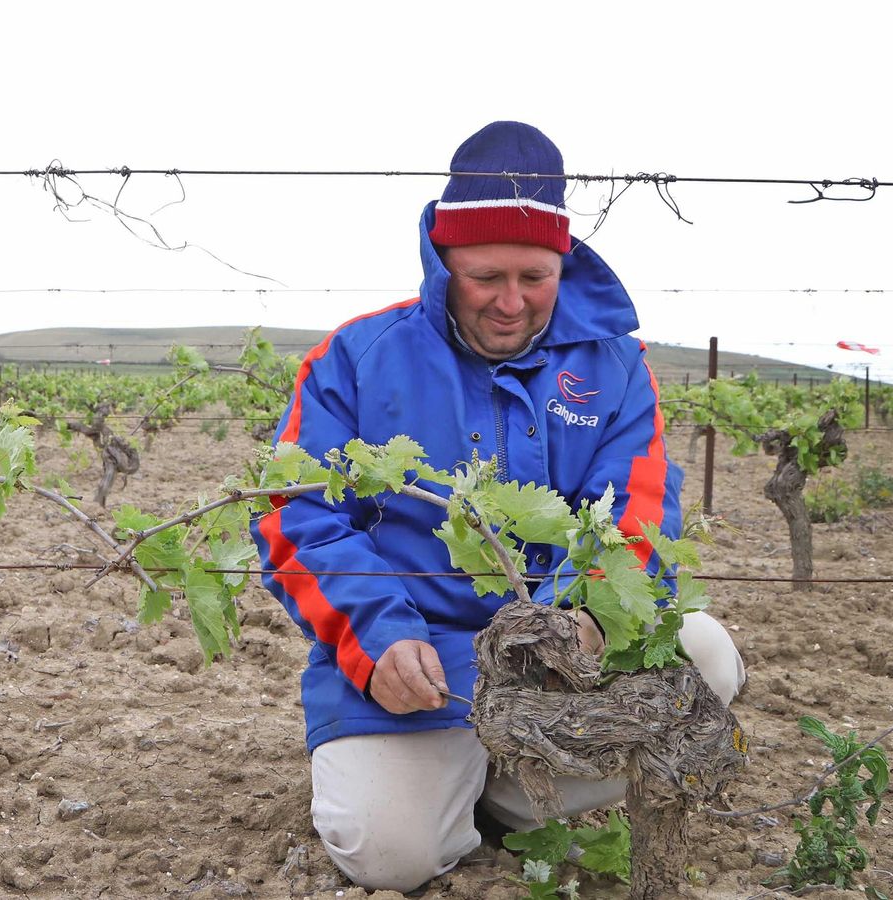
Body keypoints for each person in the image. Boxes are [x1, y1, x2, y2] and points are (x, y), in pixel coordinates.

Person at [250, 121, 746, 893]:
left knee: (705, 654)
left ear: (564, 264)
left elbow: (642, 514)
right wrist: (379, 639)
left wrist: (584, 618)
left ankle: (507, 796)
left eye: (534, 277)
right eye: (485, 277)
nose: (511, 304)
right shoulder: (353, 358)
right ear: (442, 263)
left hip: (555, 664)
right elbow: (296, 519)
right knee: (390, 856)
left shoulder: (614, 366)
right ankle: (445, 781)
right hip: (421, 666)